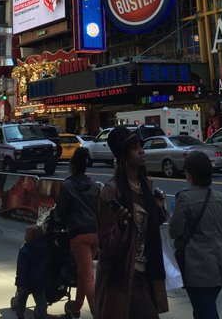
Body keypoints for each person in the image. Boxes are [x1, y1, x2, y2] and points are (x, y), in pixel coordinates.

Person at [95, 126, 168, 319]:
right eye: (135, 148)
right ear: (124, 157)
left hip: (149, 270)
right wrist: (120, 227)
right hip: (125, 274)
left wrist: (158, 209)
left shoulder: (146, 187)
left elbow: (147, 229)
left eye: (140, 146)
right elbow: (104, 245)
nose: (142, 151)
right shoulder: (112, 192)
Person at [170, 150, 222, 319]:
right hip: (220, 264)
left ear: (190, 174)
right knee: (203, 309)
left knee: (205, 310)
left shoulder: (184, 198)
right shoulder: (220, 198)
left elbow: (174, 231)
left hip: (196, 267)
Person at [55, 147, 101, 318]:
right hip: (94, 233)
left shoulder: (67, 186)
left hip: (78, 234)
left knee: (87, 276)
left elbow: (60, 212)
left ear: (72, 165)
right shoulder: (95, 186)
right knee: (83, 272)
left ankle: (97, 313)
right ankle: (76, 307)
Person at [14, 224, 48, 319]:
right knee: (41, 303)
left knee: (21, 299)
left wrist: (19, 283)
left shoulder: (24, 250)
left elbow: (21, 269)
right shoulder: (44, 248)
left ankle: (20, 315)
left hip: (26, 282)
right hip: (39, 281)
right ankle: (43, 316)